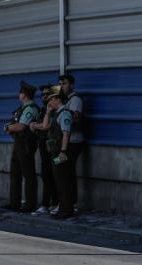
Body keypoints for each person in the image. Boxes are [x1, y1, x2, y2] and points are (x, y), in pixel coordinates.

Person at [2, 81, 40, 213]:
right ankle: (14, 202)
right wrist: (11, 126)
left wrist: (8, 127)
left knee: (28, 175)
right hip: (19, 143)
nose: (19, 95)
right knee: (15, 173)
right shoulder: (23, 108)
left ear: (24, 95)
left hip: (26, 144)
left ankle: (30, 204)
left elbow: (21, 126)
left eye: (21, 92)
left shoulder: (30, 109)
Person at [46, 91, 78, 219]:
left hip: (61, 152)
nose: (49, 103)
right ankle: (64, 209)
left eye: (51, 100)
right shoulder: (57, 113)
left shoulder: (64, 113)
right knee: (59, 180)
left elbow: (66, 133)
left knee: (63, 180)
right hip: (56, 151)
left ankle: (66, 210)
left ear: (58, 99)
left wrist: (63, 151)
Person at [57, 73, 85, 215]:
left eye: (65, 83)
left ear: (72, 85)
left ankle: (69, 205)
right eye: (60, 83)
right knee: (61, 170)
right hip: (65, 143)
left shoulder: (75, 100)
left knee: (65, 172)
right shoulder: (65, 100)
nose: (62, 86)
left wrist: (62, 109)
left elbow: (73, 119)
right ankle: (66, 203)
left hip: (72, 142)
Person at [29, 84, 59, 215]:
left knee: (54, 175)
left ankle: (54, 203)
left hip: (52, 147)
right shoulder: (43, 109)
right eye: (43, 95)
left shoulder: (54, 110)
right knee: (46, 175)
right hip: (43, 145)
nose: (44, 97)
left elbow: (46, 126)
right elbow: (38, 125)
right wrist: (36, 125)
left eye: (47, 94)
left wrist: (36, 125)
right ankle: (47, 203)